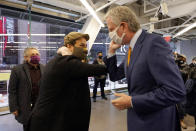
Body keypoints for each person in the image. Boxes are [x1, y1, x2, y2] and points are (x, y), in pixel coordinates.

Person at [103, 6, 186, 131]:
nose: (110, 35)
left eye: (111, 30)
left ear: (123, 26)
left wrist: (132, 102)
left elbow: (175, 90)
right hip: (139, 119)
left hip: (156, 122)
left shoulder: (153, 44)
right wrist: (111, 52)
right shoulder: (131, 49)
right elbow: (115, 76)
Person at [28, 32, 106, 131]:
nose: (85, 49)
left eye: (86, 46)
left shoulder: (59, 60)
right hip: (50, 123)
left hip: (55, 118)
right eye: (81, 45)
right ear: (69, 46)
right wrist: (111, 53)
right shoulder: (65, 62)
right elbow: (97, 69)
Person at [8, 47, 44, 131]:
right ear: (26, 57)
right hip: (25, 106)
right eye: (32, 55)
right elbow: (12, 90)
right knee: (28, 126)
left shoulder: (44, 68)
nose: (36, 56)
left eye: (37, 54)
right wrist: (13, 107)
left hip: (40, 105)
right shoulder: (17, 70)